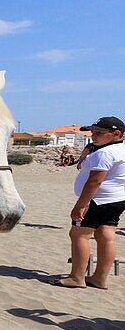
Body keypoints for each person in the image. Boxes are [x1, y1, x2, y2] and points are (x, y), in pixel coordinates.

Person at [57, 116, 125, 289]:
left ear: (116, 133)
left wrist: (80, 205)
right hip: (116, 199)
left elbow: (94, 182)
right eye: (92, 132)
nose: (93, 136)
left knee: (79, 235)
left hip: (98, 200)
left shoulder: (104, 153)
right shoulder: (121, 150)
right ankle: (99, 278)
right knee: (106, 235)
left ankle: (76, 277)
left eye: (99, 133)